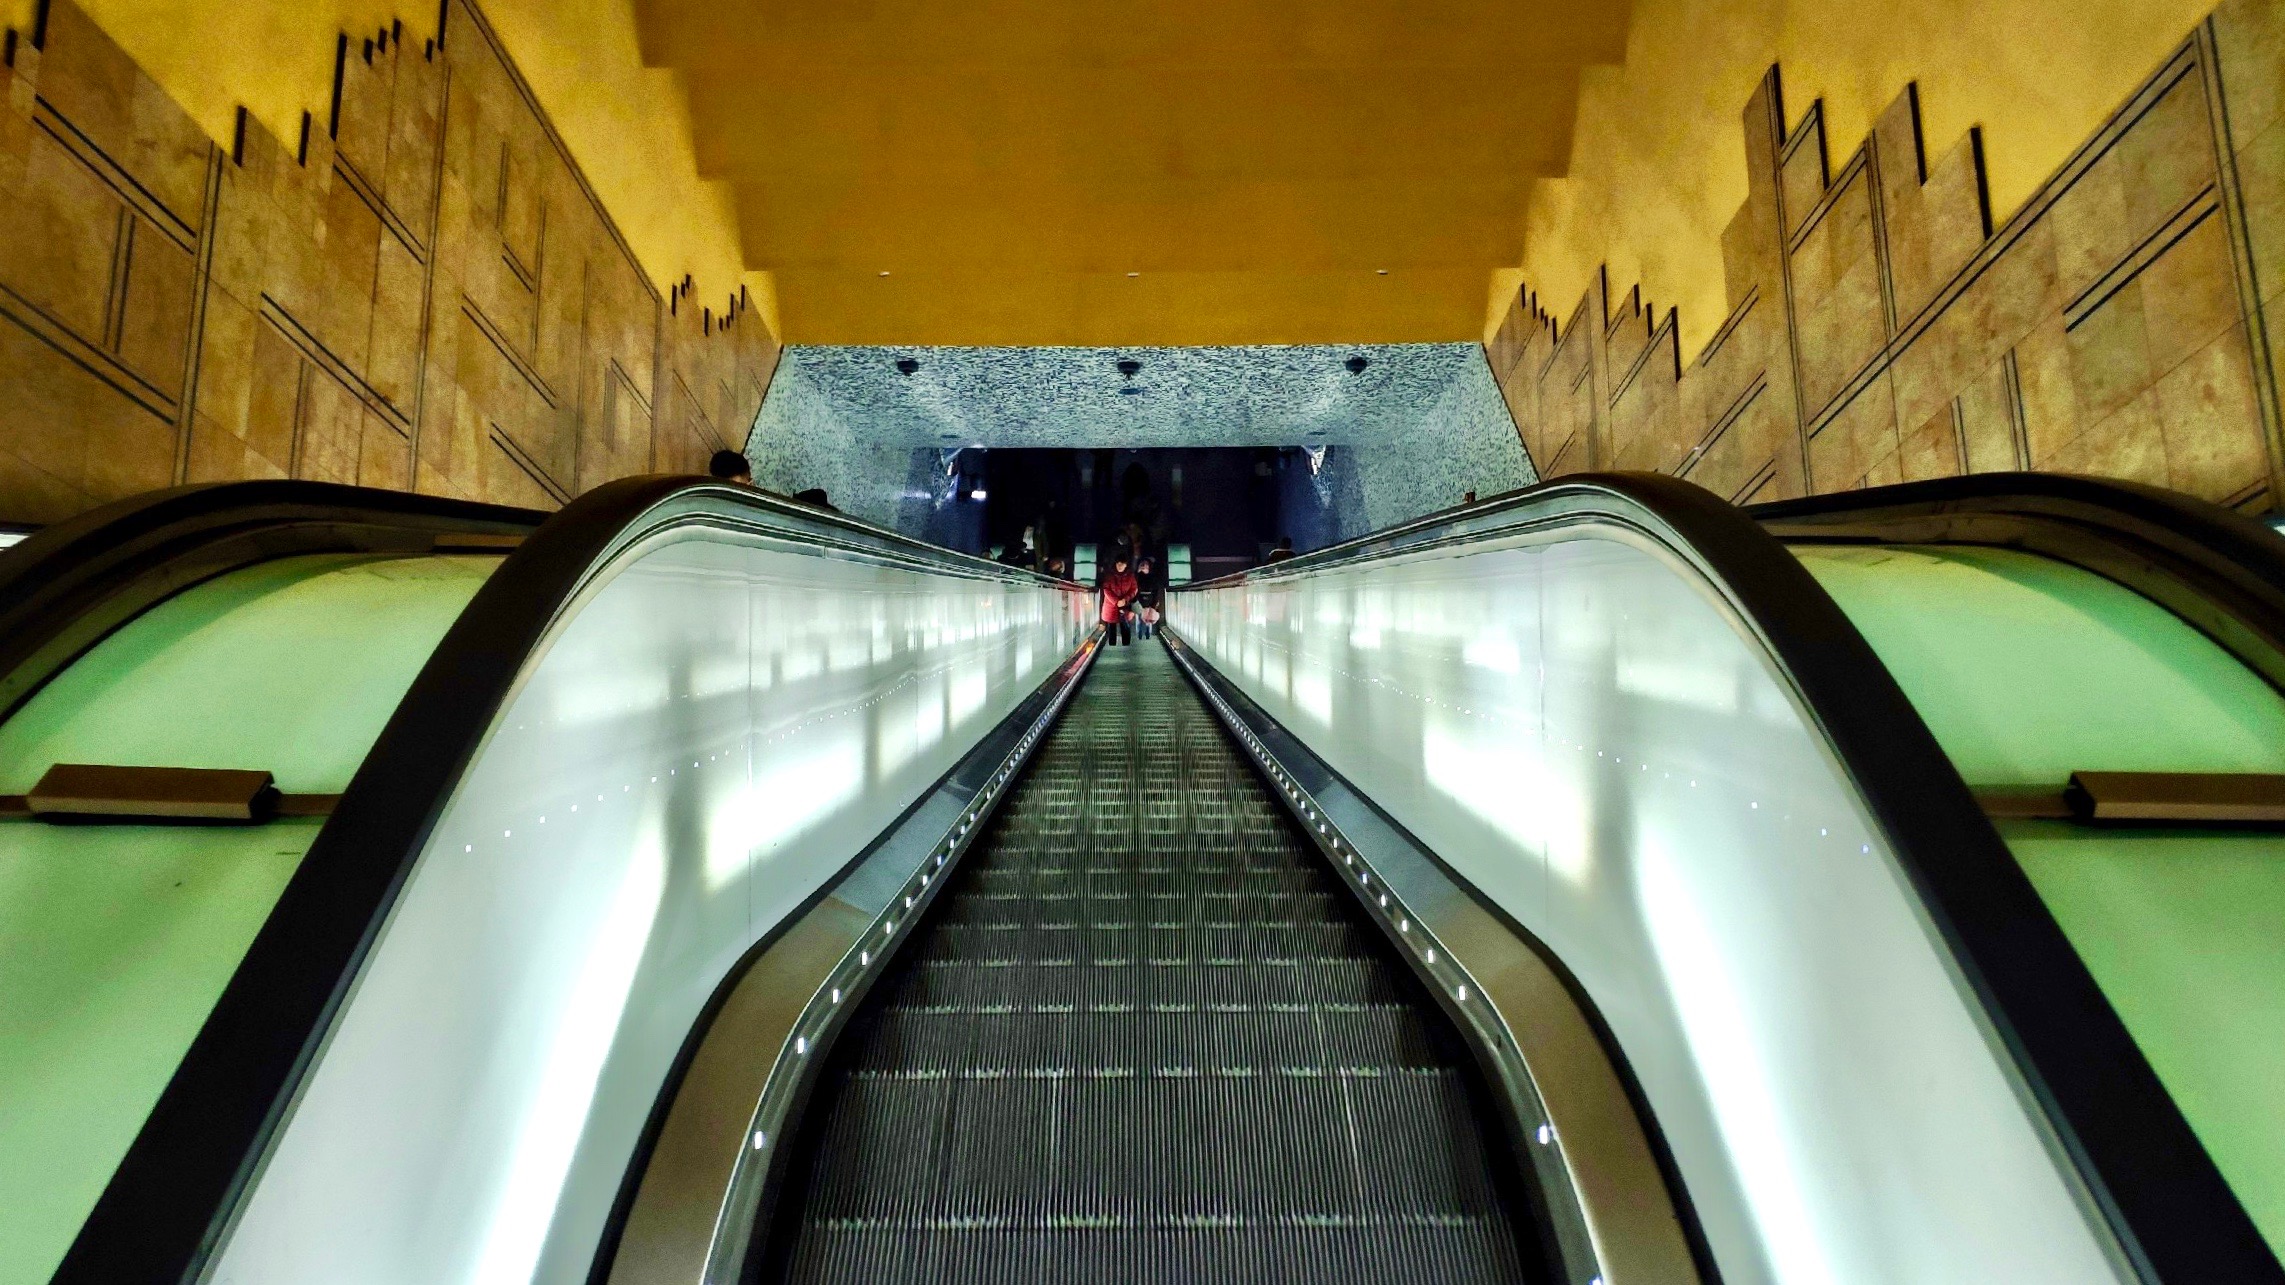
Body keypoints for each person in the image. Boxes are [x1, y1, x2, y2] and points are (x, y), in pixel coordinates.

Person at [1099, 556, 1139, 646]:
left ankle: (1126, 644)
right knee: (1111, 626)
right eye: (1118, 564)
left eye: (1122, 564)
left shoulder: (1130, 576)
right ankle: (1112, 645)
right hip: (1111, 605)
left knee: (1125, 624)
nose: (1119, 566)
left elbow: (1134, 589)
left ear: (1126, 565)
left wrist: (1125, 599)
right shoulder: (1109, 575)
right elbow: (1106, 589)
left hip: (1125, 604)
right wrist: (1116, 601)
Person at [1133, 556, 1162, 639]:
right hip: (1139, 599)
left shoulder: (1153, 576)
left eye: (1146, 565)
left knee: (1149, 617)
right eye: (1142, 565)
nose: (1144, 566)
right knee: (1139, 617)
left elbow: (1156, 589)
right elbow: (1133, 585)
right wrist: (1137, 572)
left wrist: (1154, 603)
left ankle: (1147, 633)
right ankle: (1139, 634)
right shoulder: (1137, 576)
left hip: (1149, 599)